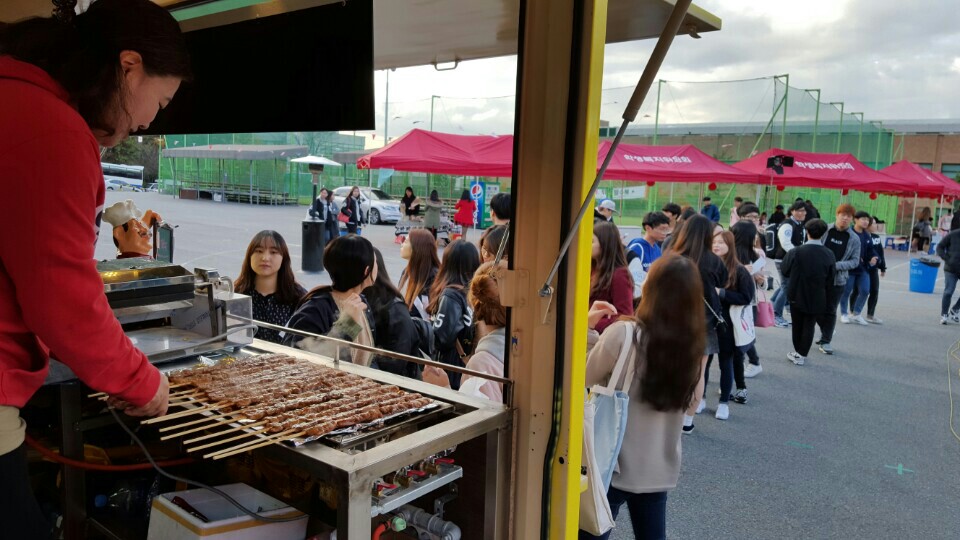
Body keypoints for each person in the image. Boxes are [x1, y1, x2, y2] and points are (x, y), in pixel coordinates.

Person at [0, 0, 190, 534]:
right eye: (160, 101)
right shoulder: (50, 129)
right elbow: (62, 300)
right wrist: (141, 382)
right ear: (129, 66)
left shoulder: (13, 98)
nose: (149, 121)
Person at [578, 254, 704, 540]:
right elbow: (692, 404)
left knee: (591, 531)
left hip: (613, 462)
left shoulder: (623, 334)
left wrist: (588, 329)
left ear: (650, 289)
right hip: (658, 468)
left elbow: (583, 376)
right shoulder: (692, 349)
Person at [665, 215, 727, 434]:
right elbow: (723, 281)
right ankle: (687, 421)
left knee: (671, 369)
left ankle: (667, 416)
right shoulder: (714, 261)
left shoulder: (673, 258)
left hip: (674, 323)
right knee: (698, 374)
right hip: (705, 325)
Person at [283, 235, 377, 366]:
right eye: (375, 263)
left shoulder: (361, 302)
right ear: (367, 271)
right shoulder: (316, 308)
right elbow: (296, 358)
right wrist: (347, 325)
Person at [422, 262, 506, 402]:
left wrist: (442, 388)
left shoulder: (482, 364)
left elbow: (480, 415)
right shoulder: (527, 348)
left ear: (474, 304)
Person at [704, 231, 754, 420]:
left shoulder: (739, 270)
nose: (716, 245)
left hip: (728, 325)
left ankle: (723, 403)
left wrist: (722, 293)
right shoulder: (706, 266)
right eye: (714, 242)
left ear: (730, 246)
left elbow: (746, 297)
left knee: (726, 363)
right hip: (708, 322)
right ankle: (700, 398)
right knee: (704, 363)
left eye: (721, 242)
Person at [781, 219, 837, 366]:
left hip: (797, 293)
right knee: (809, 324)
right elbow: (831, 278)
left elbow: (785, 270)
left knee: (797, 324)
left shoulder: (796, 251)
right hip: (818, 295)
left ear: (807, 232)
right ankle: (802, 353)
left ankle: (798, 352)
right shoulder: (829, 254)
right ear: (823, 234)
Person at [234, 231, 306, 344]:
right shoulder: (236, 294)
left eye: (273, 252)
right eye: (259, 251)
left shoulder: (298, 298)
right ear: (249, 256)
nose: (265, 258)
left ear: (283, 258)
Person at [428, 240, 481, 389]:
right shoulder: (474, 294)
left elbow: (441, 338)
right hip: (468, 364)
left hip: (450, 368)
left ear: (448, 263)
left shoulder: (451, 295)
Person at [363, 249, 421, 379]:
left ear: (368, 271)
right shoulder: (354, 301)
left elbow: (397, 362)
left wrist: (366, 362)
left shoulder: (394, 309)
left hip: (389, 384)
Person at [815, 204, 861, 355]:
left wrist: (836, 266)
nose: (845, 218)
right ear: (837, 215)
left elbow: (855, 261)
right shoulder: (825, 230)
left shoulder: (854, 238)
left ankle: (826, 340)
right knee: (814, 307)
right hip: (818, 276)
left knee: (830, 310)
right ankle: (826, 330)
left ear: (852, 219)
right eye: (843, 215)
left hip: (838, 280)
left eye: (849, 216)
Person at [732, 220, 764, 385]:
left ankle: (753, 363)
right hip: (737, 299)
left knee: (742, 334)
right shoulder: (731, 253)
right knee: (740, 334)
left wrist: (760, 279)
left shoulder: (755, 255)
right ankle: (752, 363)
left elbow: (762, 283)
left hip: (745, 301)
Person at [590, 221, 634, 334]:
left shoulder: (620, 275)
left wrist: (592, 322)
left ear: (605, 244)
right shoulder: (589, 269)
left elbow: (625, 315)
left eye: (592, 241)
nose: (586, 245)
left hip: (603, 337)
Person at [768, 202, 807, 328]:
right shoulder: (787, 224)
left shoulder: (799, 225)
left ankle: (772, 306)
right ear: (792, 211)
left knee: (785, 285)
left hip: (791, 259)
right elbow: (785, 243)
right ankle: (776, 314)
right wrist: (799, 255)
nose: (802, 213)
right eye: (799, 210)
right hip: (784, 260)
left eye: (804, 211)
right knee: (788, 286)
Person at [839, 211, 876, 326]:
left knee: (865, 290)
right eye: (863, 219)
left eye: (867, 220)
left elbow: (870, 251)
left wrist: (874, 258)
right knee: (846, 292)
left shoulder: (866, 235)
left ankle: (856, 314)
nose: (866, 222)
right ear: (855, 219)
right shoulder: (848, 233)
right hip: (850, 268)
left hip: (863, 269)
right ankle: (844, 314)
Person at [850, 216, 886, 324]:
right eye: (873, 223)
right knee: (857, 290)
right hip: (862, 268)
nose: (875, 225)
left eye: (875, 223)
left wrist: (882, 267)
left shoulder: (876, 237)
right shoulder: (859, 236)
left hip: (873, 269)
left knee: (874, 290)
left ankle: (870, 315)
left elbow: (880, 253)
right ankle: (852, 311)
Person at [626, 212, 668, 302]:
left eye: (666, 229)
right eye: (662, 229)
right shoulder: (637, 247)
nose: (665, 233)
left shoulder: (657, 249)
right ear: (648, 228)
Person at [398, 228, 441, 319]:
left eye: (405, 242)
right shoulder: (406, 272)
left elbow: (430, 312)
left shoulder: (433, 276)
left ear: (417, 248)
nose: (401, 244)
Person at [936, 227, 960, 324]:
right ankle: (944, 314)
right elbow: (939, 247)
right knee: (948, 292)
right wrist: (947, 259)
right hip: (951, 269)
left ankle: (955, 309)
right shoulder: (953, 234)